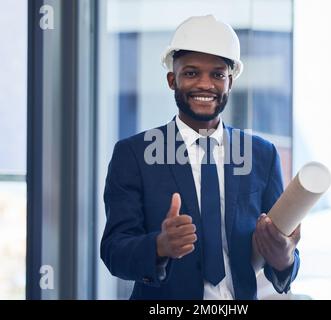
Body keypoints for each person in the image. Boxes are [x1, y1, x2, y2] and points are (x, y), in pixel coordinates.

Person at [100, 14, 301, 300]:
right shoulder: (134, 155)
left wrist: (285, 259)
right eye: (192, 73)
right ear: (172, 79)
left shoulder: (261, 156)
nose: (205, 84)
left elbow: (281, 259)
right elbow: (114, 251)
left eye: (217, 74)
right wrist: (159, 245)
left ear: (230, 82)